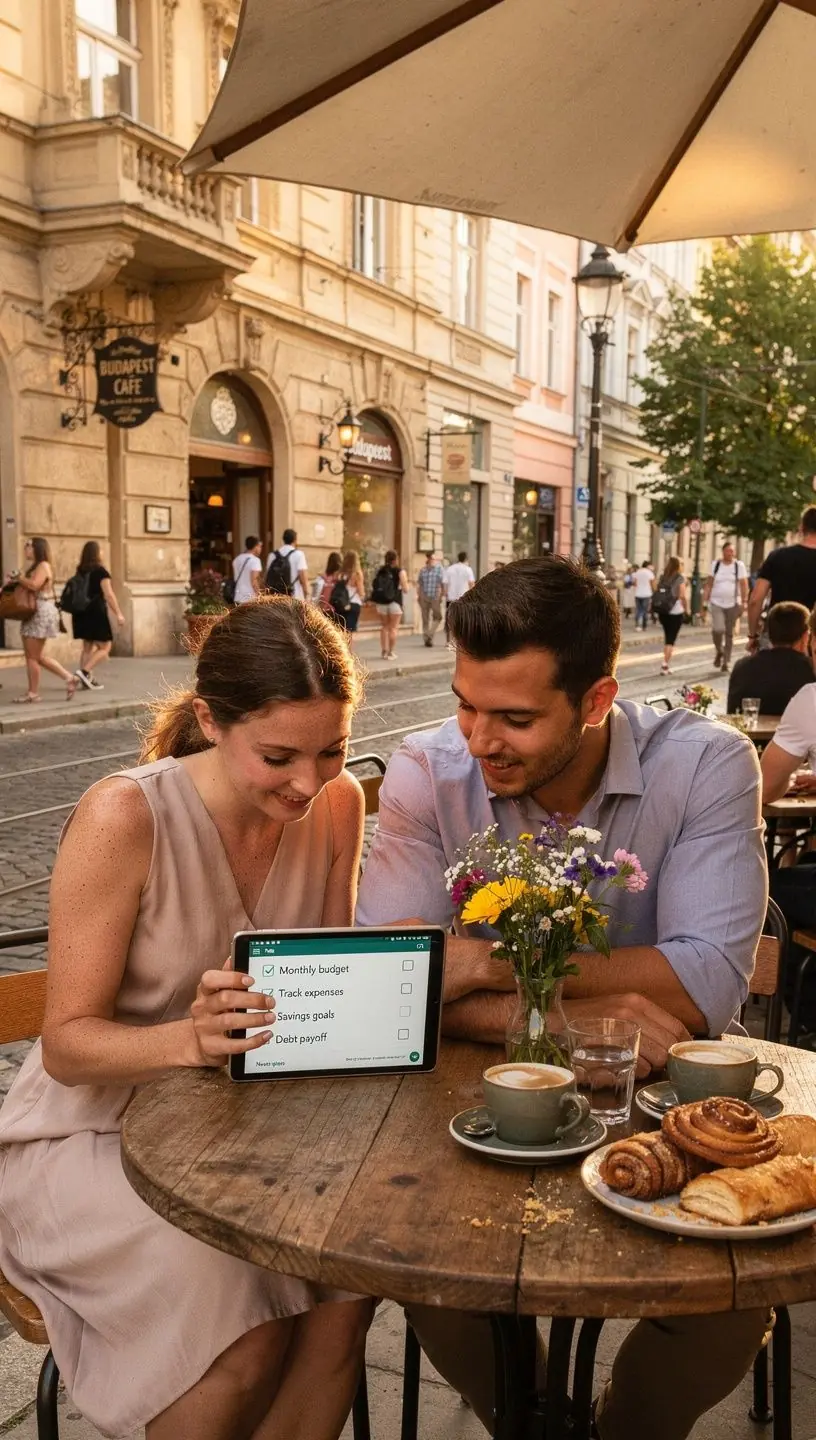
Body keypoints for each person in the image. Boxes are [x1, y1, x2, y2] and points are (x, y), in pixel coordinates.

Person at [357, 556, 768, 1440]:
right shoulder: (426, 770)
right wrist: (555, 1014)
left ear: (594, 701)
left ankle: (625, 1431)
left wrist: (481, 965)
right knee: (416, 1263)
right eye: (465, 703)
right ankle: (532, 1421)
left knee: (733, 1307)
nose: (477, 738)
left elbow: (704, 983)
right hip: (467, 1098)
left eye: (513, 716)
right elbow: (390, 983)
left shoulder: (706, 765)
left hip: (667, 1109)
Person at [0, 598, 372, 1440]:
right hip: (92, 1136)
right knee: (245, 1309)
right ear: (209, 719)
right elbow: (66, 1046)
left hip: (256, 1134)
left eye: (332, 749)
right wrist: (188, 1040)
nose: (309, 783)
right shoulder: (125, 815)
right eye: (278, 755)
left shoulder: (339, 803)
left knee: (347, 1293)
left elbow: (332, 980)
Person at [12, 537, 78, 703]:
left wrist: (19, 578)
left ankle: (33, 693)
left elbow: (35, 585)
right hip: (36, 611)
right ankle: (69, 678)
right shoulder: (36, 566)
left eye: (28, 545)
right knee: (36, 656)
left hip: (40, 612)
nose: (25, 548)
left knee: (32, 657)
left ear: (36, 548)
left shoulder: (43, 566)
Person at [748, 505, 816, 652]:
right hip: (811, 637)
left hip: (776, 635)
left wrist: (752, 636)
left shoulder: (777, 556)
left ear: (801, 528)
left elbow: (755, 599)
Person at [728, 601, 813, 715]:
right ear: (805, 636)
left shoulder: (742, 666)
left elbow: (732, 712)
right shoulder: (810, 669)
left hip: (747, 731)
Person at [69, 540, 126, 691]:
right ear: (97, 553)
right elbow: (108, 594)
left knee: (87, 647)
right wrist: (118, 613)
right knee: (105, 646)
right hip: (96, 613)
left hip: (81, 613)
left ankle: (86, 680)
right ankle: (84, 672)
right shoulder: (101, 572)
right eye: (100, 550)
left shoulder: (80, 570)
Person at [703, 540, 748, 674]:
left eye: (733, 551)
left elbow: (744, 584)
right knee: (718, 629)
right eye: (728, 551)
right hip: (716, 602)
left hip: (733, 603)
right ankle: (719, 651)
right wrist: (704, 604)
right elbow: (709, 584)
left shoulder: (738, 566)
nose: (731, 553)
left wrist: (744, 602)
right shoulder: (716, 565)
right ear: (723, 551)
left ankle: (726, 662)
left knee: (729, 634)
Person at [652, 555, 688, 675]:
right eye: (682, 564)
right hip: (675, 612)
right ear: (678, 566)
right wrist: (687, 609)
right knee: (670, 640)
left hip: (663, 611)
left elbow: (656, 588)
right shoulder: (680, 578)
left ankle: (666, 664)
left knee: (667, 637)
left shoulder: (663, 576)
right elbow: (682, 595)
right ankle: (665, 664)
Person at [372, 549, 408, 660]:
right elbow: (406, 589)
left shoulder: (381, 570)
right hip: (394, 603)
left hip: (382, 603)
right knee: (393, 628)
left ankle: (383, 651)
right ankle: (391, 652)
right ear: (396, 559)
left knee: (384, 627)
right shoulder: (399, 571)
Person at [268, 528, 309, 600]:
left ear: (283, 540)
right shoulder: (299, 554)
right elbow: (303, 577)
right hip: (294, 595)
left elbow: (268, 576)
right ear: (295, 540)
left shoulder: (272, 555)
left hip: (276, 597)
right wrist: (306, 594)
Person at [416, 551, 445, 647]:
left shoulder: (439, 569)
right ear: (428, 559)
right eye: (431, 558)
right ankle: (427, 639)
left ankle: (429, 634)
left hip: (435, 597)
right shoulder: (423, 570)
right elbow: (420, 584)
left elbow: (442, 584)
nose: (433, 560)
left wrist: (441, 596)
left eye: (434, 558)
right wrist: (419, 596)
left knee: (438, 617)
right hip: (424, 597)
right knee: (425, 619)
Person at [337, 550, 365, 648]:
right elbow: (361, 592)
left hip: (341, 603)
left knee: (341, 631)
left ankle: (340, 652)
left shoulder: (340, 573)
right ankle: (348, 655)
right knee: (349, 632)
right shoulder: (357, 574)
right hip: (354, 604)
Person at [230, 535, 263, 607]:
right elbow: (254, 580)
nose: (260, 549)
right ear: (255, 547)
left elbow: (236, 578)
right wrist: (259, 595)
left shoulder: (237, 559)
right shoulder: (255, 560)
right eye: (260, 546)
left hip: (238, 596)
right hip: (250, 597)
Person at [632, 559, 654, 630]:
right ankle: (644, 626)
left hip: (638, 593)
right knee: (645, 610)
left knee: (638, 610)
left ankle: (637, 625)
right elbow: (652, 584)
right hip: (646, 593)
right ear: (648, 566)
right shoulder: (649, 572)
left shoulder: (638, 572)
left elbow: (635, 583)